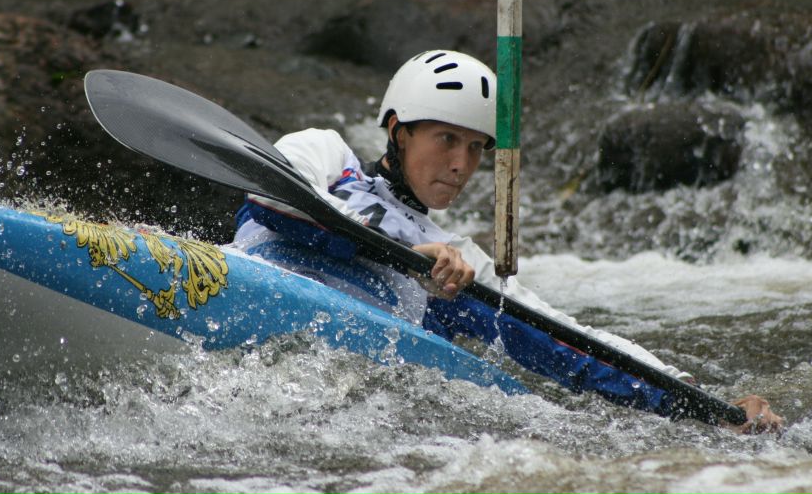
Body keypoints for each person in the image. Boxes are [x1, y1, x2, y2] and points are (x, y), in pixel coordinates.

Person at [232, 49, 782, 432]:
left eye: (476, 148)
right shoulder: (325, 154)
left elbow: (571, 342)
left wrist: (703, 402)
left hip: (314, 374)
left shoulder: (459, 264)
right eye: (446, 138)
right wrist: (403, 256)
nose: (461, 163)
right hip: (234, 283)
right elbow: (272, 200)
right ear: (398, 131)